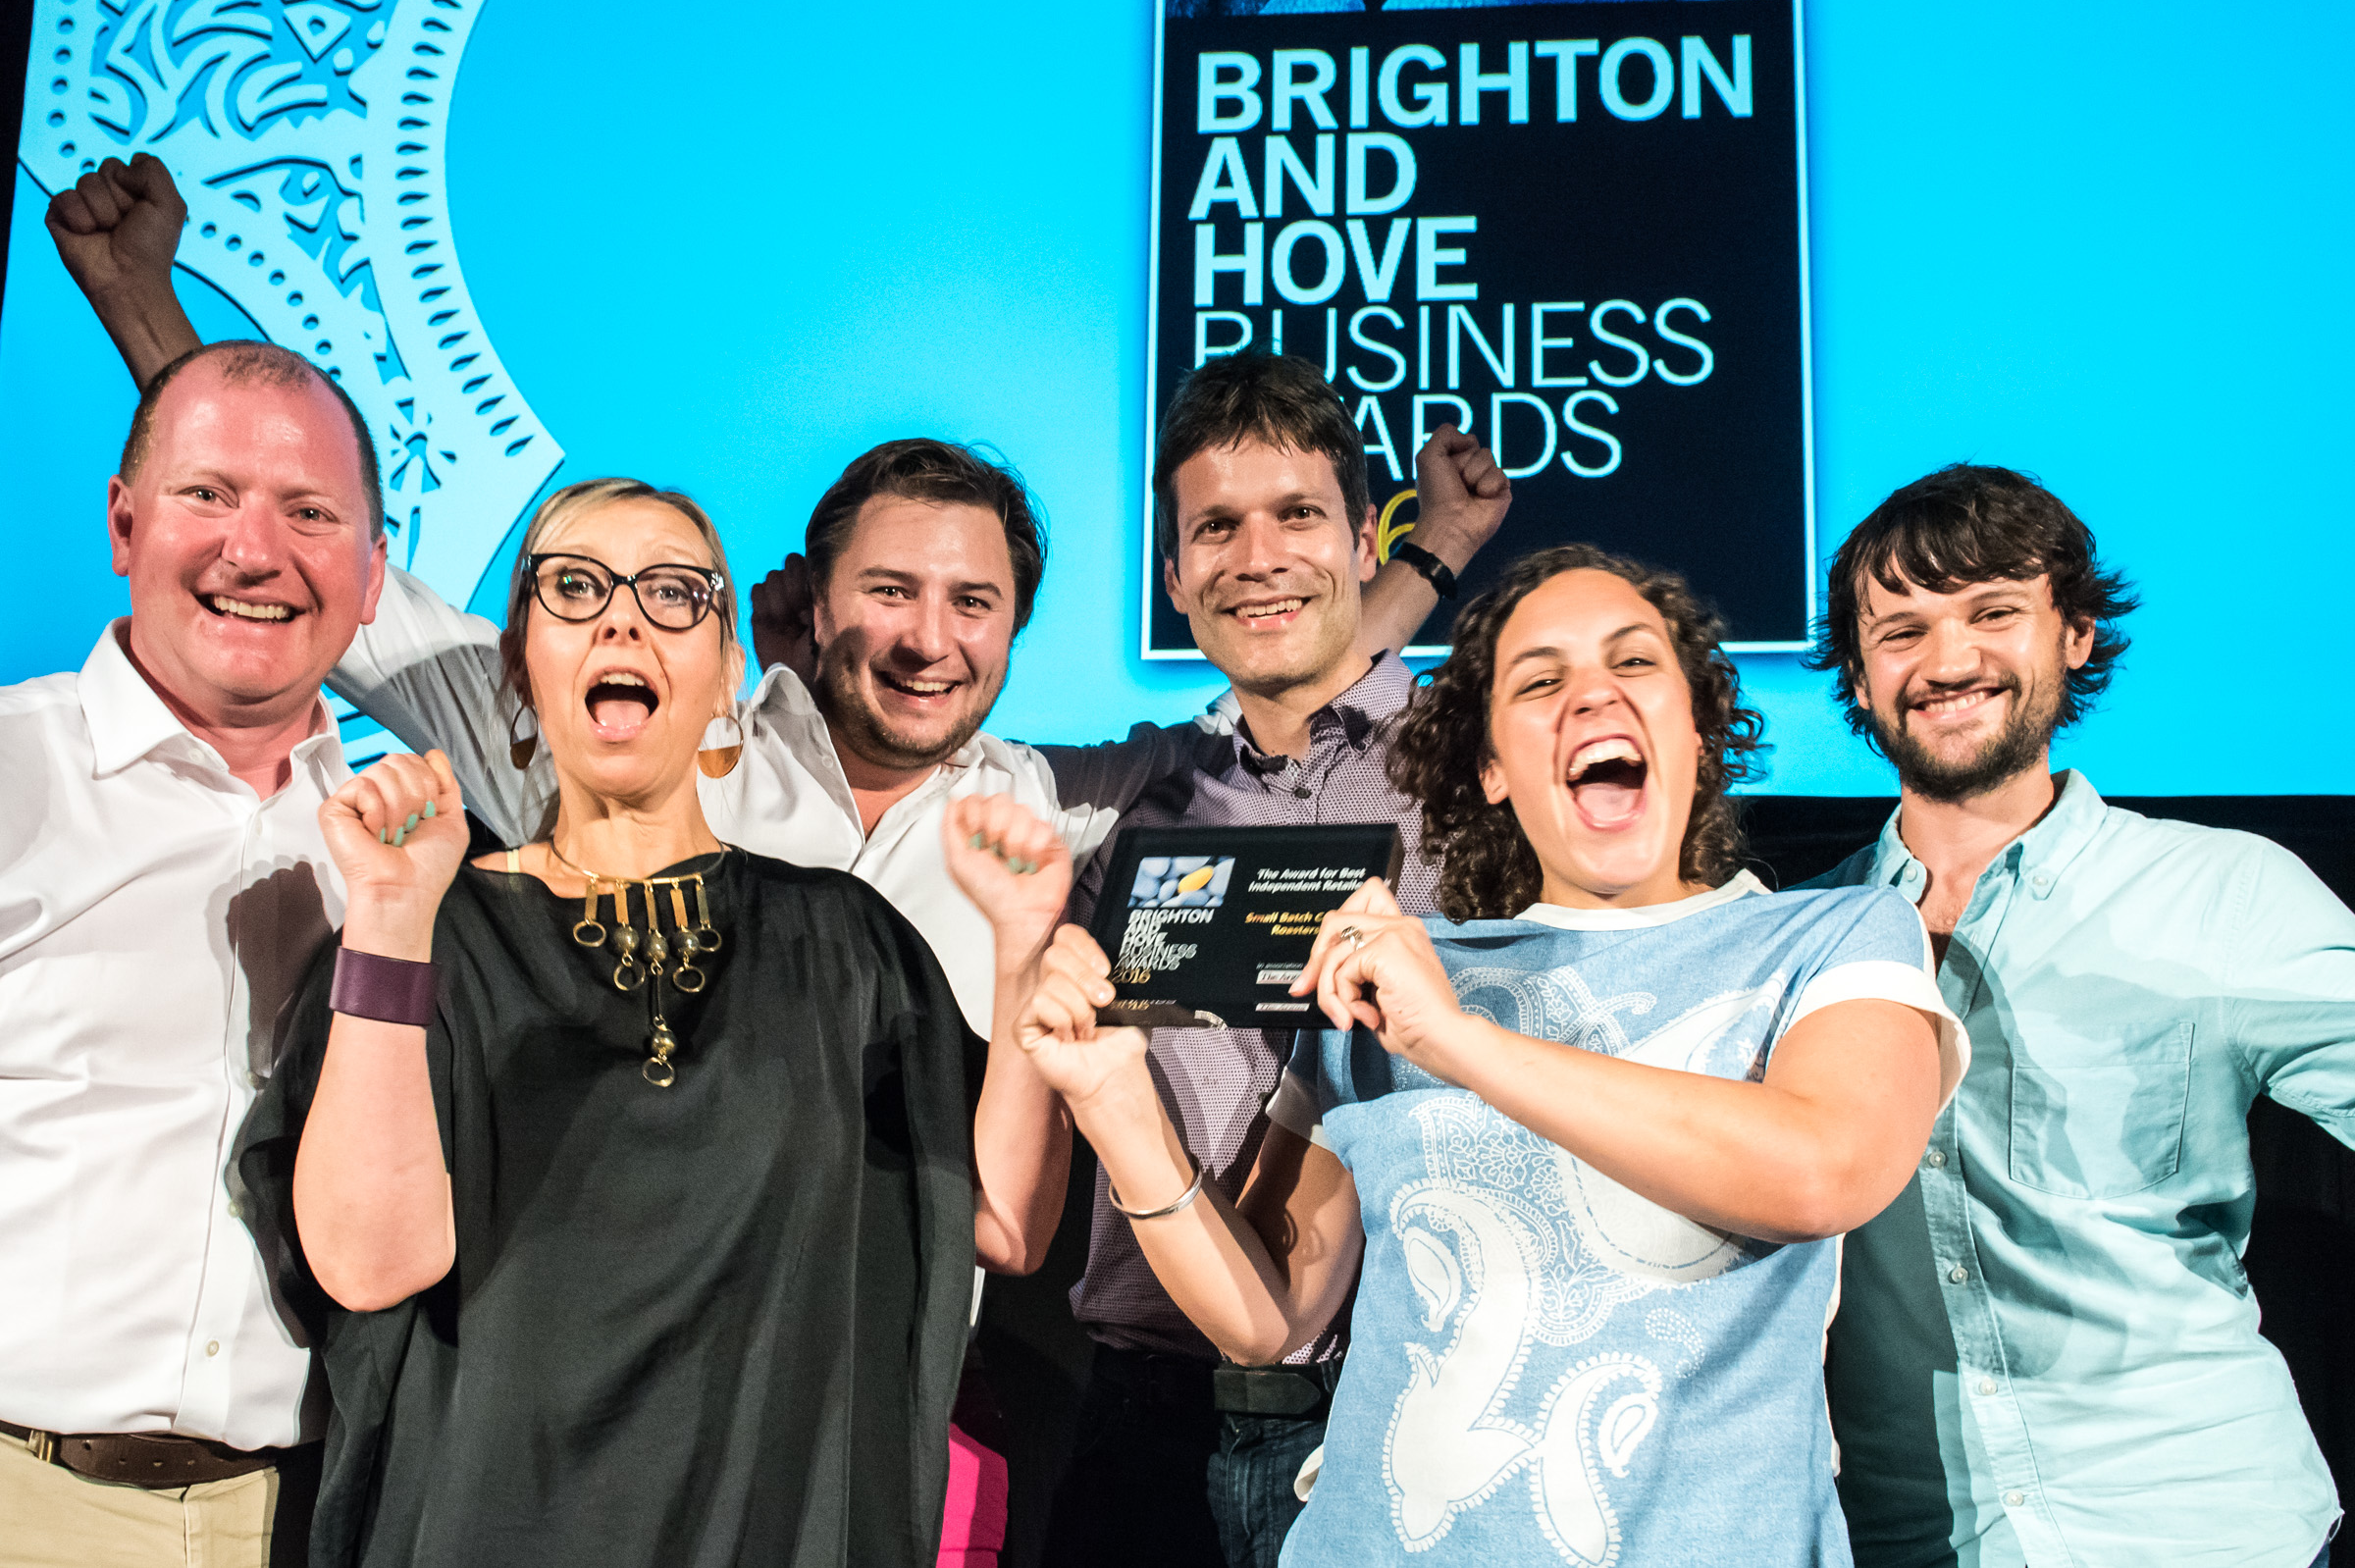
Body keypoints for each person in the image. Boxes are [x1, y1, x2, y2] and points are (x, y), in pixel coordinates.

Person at [43, 154, 1491, 1038]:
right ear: (807, 597)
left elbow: (1289, 657)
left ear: (1014, 626)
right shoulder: (637, 740)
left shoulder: (1057, 805)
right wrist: (141, 307)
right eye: (890, 592)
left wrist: (1423, 559)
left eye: (973, 603)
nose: (929, 640)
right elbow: (343, 590)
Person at [994, 543, 1963, 1565]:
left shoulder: (1832, 935)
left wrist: (1458, 1042)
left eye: (1634, 663)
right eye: (1541, 682)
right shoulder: (1405, 971)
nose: (1593, 696)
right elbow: (1265, 1321)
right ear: (1492, 768)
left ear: (1697, 728)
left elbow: (1824, 1171)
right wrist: (1115, 1103)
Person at [233, 476, 1076, 1566]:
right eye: (577, 588)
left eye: (673, 593)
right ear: (520, 665)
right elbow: (368, 1266)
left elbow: (1005, 1224)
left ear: (730, 673)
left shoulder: (848, 942)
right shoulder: (428, 933)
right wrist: (392, 916)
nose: (622, 621)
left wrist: (1023, 954)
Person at [1804, 464, 2353, 1568]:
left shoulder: (2227, 895)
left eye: (1993, 613)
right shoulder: (1793, 941)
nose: (1947, 662)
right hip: (1911, 1541)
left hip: (2204, 1531)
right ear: (1858, 679)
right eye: (1902, 631)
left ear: (2076, 635)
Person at [1024, 349, 1508, 1568]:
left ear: (1361, 539)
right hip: (1146, 1421)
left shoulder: (1487, 774)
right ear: (1174, 574)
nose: (1257, 556)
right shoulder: (1131, 796)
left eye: (1297, 515)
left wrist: (1443, 549)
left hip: (1412, 1409)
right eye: (1217, 528)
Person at [0, 340, 389, 1565]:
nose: (254, 551)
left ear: (374, 578)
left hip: (301, 1518)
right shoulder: (13, 772)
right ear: (124, 525)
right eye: (209, 494)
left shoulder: (401, 857)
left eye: (309, 513)